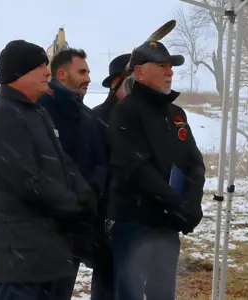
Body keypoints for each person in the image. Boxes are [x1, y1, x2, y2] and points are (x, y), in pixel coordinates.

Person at [0, 40, 96, 300]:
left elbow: (62, 162)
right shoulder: (3, 115)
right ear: (17, 74)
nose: (47, 72)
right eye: (40, 66)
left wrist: (84, 193)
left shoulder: (37, 112)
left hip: (49, 252)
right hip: (20, 256)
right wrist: (74, 205)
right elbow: (27, 180)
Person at [107, 41, 205, 300]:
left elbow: (194, 163)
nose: (170, 72)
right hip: (135, 224)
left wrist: (191, 204)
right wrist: (175, 203)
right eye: (162, 66)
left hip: (167, 225)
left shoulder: (176, 114)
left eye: (171, 67)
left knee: (163, 294)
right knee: (130, 293)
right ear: (139, 72)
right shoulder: (126, 112)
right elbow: (136, 167)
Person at [38, 48, 106, 300]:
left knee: (62, 292)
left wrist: (91, 193)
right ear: (61, 73)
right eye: (82, 72)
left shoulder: (86, 115)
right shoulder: (42, 109)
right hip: (47, 227)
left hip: (78, 224)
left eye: (88, 71)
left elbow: (99, 160)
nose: (88, 78)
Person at [91, 53, 131, 300]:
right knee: (106, 284)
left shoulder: (142, 116)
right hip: (106, 215)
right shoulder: (98, 117)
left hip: (137, 216)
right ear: (118, 81)